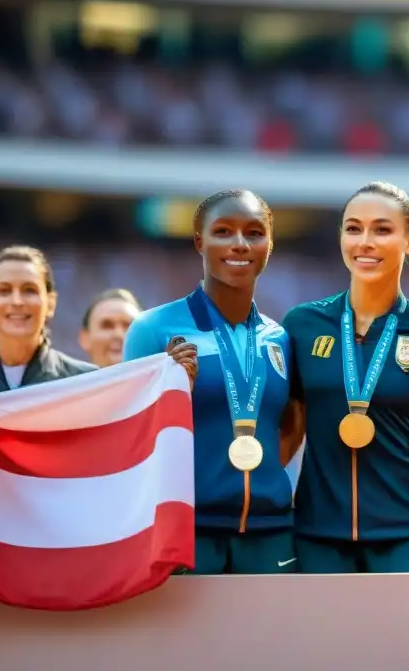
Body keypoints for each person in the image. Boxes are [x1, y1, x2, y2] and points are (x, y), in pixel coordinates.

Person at [282, 182, 409, 573]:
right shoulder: (301, 326)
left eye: (382, 230)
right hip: (317, 533)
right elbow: (286, 437)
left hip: (408, 533)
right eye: (353, 229)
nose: (365, 241)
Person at [123, 189, 302, 575]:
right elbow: (129, 438)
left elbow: (287, 428)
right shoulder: (153, 330)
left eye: (254, 233)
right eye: (223, 231)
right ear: (199, 241)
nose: (239, 243)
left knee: (272, 639)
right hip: (189, 532)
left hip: (271, 534)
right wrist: (171, 394)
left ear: (269, 245)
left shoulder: (280, 338)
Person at [0, 246, 96, 401]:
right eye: (4, 291)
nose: (17, 301)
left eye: (29, 290)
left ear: (51, 303)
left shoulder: (87, 384)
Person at [78, 288, 142, 368]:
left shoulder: (161, 379)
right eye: (107, 326)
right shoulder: (64, 380)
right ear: (84, 338)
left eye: (129, 326)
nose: (118, 334)